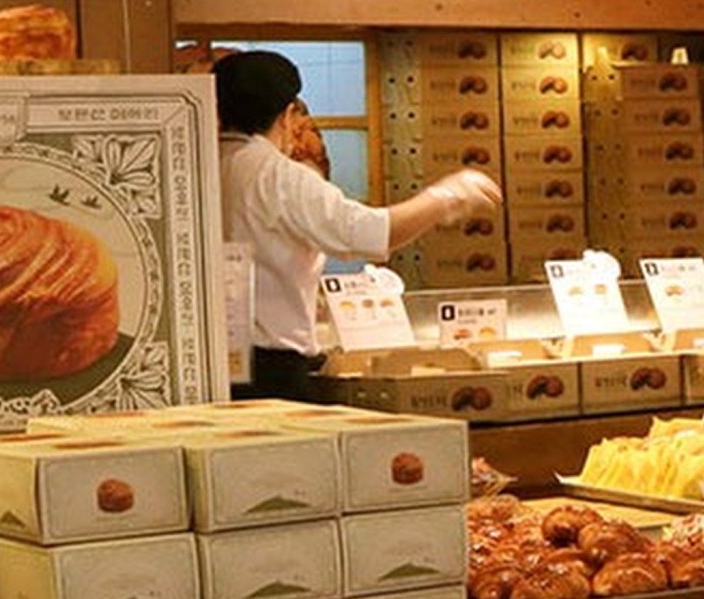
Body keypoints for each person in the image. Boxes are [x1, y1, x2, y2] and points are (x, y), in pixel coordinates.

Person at [210, 49, 498, 402]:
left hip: (215, 363)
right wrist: (448, 195)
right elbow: (374, 233)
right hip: (273, 371)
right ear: (287, 116)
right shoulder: (277, 176)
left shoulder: (203, 165)